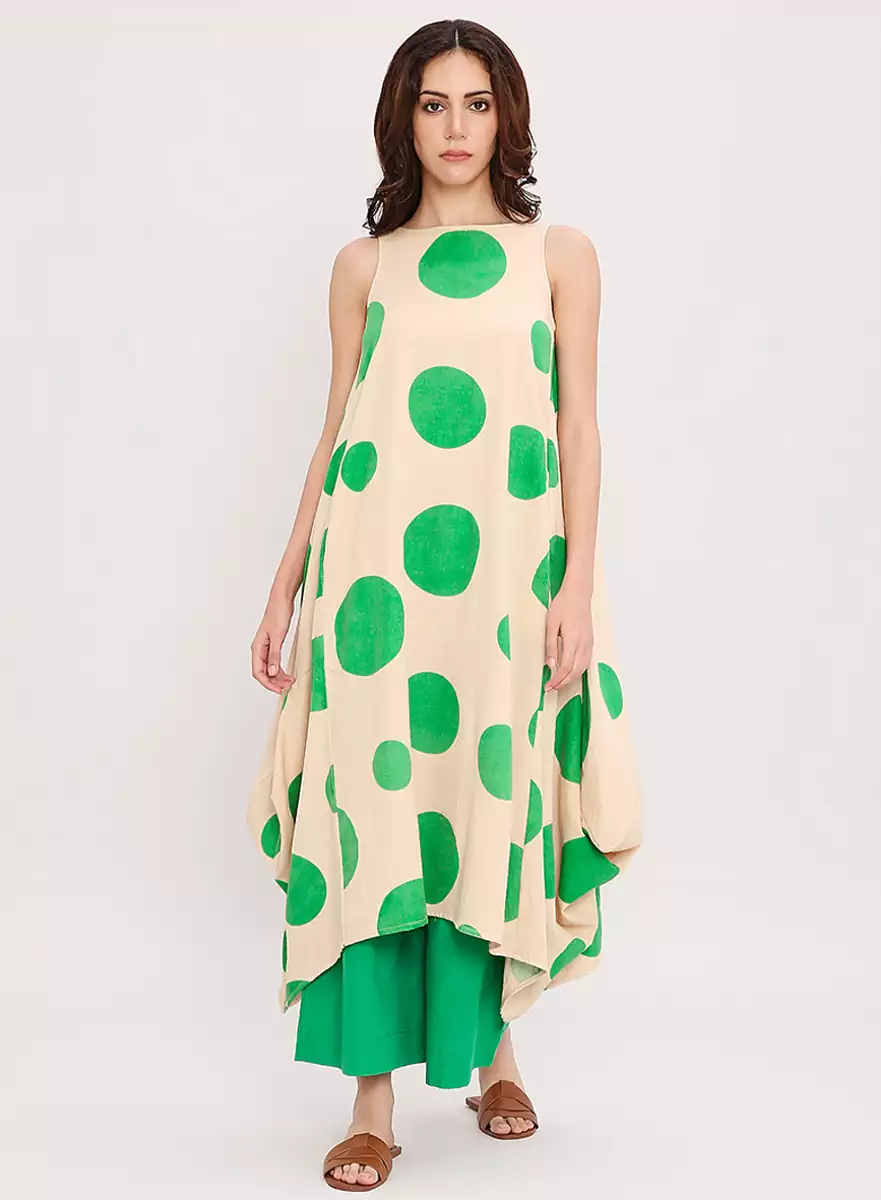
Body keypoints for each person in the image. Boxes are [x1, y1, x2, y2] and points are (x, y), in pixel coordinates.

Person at [246, 18, 644, 1192]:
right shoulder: (362, 268)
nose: (456, 127)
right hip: (374, 592)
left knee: (489, 795)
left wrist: (576, 585)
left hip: (508, 586)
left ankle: (497, 1055)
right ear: (402, 120)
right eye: (433, 104)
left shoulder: (557, 255)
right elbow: (336, 432)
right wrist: (285, 584)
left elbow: (579, 428)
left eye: (476, 103)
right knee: (377, 808)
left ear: (505, 116)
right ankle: (371, 1103)